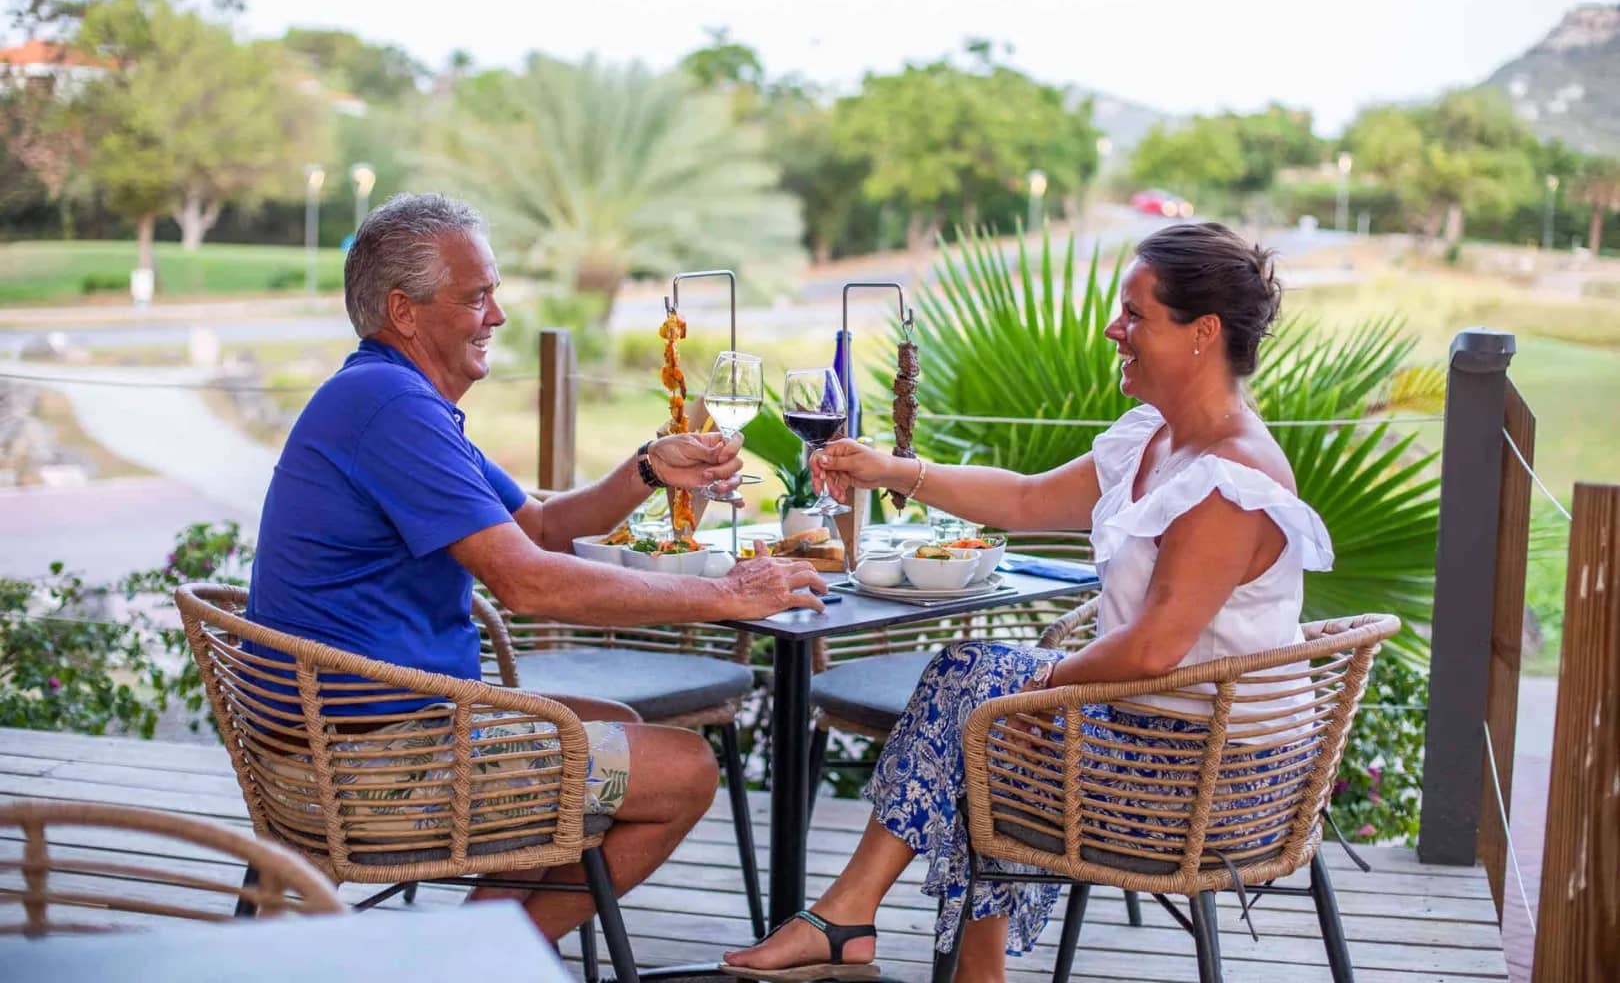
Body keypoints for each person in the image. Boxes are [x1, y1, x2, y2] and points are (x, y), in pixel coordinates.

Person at [720, 222, 1334, 982]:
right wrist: (889, 468)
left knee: (983, 705)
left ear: (1202, 333)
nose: (1116, 329)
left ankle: (860, 923)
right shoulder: (1156, 438)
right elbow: (1024, 497)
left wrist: (1042, 685)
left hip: (1214, 778)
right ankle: (896, 936)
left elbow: (1151, 649)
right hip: (1151, 724)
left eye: (1135, 315)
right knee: (978, 699)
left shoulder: (1229, 481)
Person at [248, 192, 828, 942]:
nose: (497, 316)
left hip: (355, 740)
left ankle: (467, 955)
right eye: (476, 297)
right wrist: (724, 596)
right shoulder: (391, 407)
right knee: (685, 772)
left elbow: (546, 529)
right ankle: (474, 961)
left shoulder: (387, 395)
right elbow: (528, 582)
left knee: (612, 727)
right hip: (373, 771)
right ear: (405, 311)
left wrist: (650, 466)